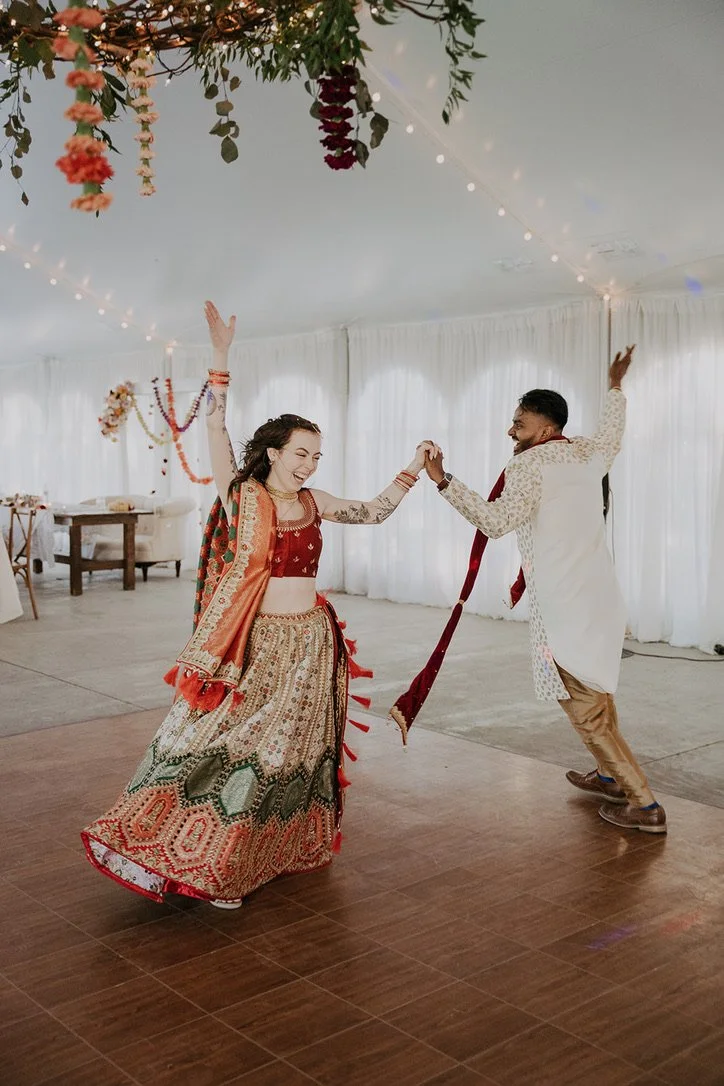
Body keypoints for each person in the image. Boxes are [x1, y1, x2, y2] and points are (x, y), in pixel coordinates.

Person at [82, 301, 439, 906]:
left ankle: (256, 858)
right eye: (302, 453)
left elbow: (373, 512)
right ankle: (189, 852)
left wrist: (413, 468)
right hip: (255, 641)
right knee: (217, 744)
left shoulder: (317, 499)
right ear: (274, 452)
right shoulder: (240, 493)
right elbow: (216, 430)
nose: (310, 463)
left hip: (311, 641)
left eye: (317, 455)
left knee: (285, 754)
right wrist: (220, 357)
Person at [423, 346, 666, 834]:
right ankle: (608, 776)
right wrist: (616, 385)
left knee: (585, 709)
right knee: (598, 692)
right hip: (600, 598)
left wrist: (444, 481)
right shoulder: (586, 453)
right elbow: (613, 431)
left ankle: (644, 804)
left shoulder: (529, 467)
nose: (511, 431)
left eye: (519, 423)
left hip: (565, 606)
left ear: (546, 428)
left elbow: (495, 522)